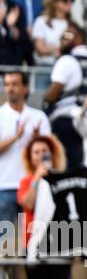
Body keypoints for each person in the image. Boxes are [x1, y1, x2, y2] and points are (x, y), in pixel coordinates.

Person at [17, 134, 87, 279]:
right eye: (36, 152)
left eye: (45, 151)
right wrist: (38, 178)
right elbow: (27, 203)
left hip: (59, 244)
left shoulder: (64, 178)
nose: (41, 155)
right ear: (30, 157)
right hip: (34, 244)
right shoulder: (26, 181)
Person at [42, 23, 87, 169]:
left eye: (67, 36)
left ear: (78, 38)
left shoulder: (66, 61)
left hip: (67, 120)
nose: (62, 40)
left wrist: (46, 97)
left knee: (64, 167)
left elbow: (52, 94)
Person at [0, 71, 51, 246]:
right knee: (4, 245)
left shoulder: (39, 117)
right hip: (4, 187)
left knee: (32, 243)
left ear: (25, 87)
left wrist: (36, 140)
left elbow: (48, 154)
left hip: (33, 187)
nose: (10, 88)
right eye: (7, 84)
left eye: (14, 83)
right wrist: (16, 137)